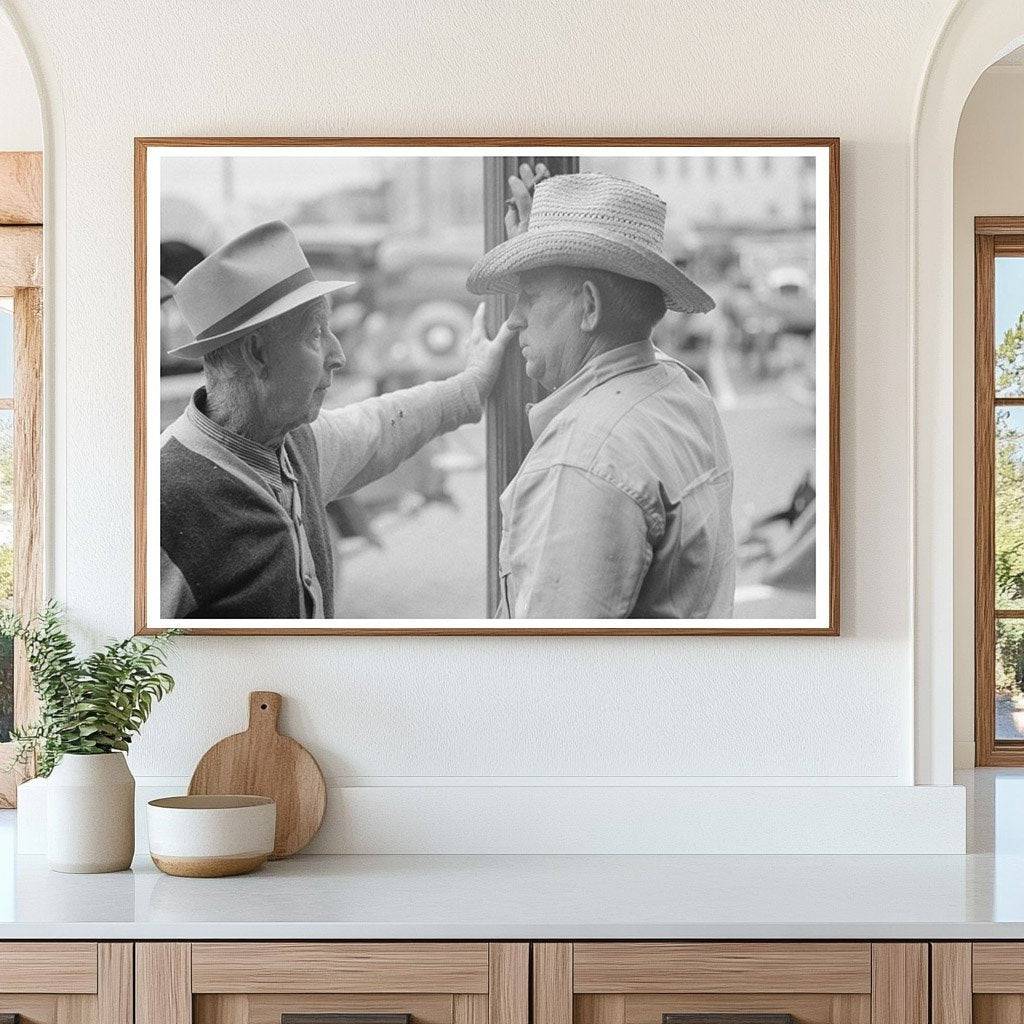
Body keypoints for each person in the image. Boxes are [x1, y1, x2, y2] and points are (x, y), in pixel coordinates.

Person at [160, 219, 511, 619]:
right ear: (256, 353)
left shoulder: (296, 444)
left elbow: (381, 425)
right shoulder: (164, 496)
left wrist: (471, 386)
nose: (338, 355)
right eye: (315, 335)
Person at [467, 169, 736, 619]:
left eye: (529, 296)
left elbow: (554, 672)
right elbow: (598, 366)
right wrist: (543, 258)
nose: (514, 320)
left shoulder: (584, 457)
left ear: (589, 306)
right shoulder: (682, 388)